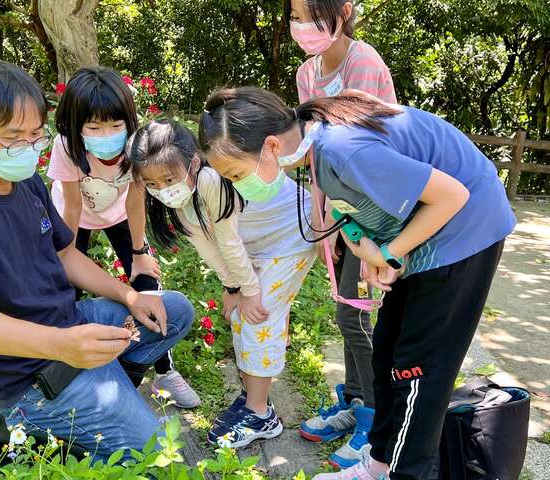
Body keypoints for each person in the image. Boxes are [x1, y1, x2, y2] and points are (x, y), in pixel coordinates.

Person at [198, 86, 515, 480]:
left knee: (419, 373)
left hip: (466, 233)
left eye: (235, 174)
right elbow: (369, 201)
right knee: (386, 354)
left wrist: (389, 254)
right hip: (430, 233)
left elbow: (453, 195)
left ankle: (406, 473)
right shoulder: (315, 143)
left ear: (271, 145)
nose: (236, 185)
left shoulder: (341, 149)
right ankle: (379, 464)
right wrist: (385, 252)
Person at [0, 60, 195, 463]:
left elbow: (64, 253)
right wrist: (61, 345)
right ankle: (27, 424)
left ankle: (104, 391)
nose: (28, 149)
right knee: (161, 461)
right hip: (30, 375)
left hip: (71, 325)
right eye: (13, 138)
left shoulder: (24, 180)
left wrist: (129, 296)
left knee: (174, 312)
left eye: (34, 137)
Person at [128, 119, 316, 448]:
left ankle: (260, 414)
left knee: (259, 316)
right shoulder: (182, 200)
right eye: (152, 184)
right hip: (255, 245)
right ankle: (254, 398)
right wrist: (233, 289)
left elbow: (228, 243)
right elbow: (209, 247)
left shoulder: (211, 179)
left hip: (291, 238)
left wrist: (250, 292)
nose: (162, 189)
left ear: (194, 161)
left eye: (169, 179)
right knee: (245, 315)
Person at [286, 0, 398, 468]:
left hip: (370, 209)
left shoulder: (365, 63)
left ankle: (376, 418)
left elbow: (371, 146)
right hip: (333, 207)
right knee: (344, 312)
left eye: (311, 13)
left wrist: (358, 227)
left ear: (343, 10)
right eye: (294, 15)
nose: (302, 25)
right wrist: (321, 218)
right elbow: (313, 151)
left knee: (355, 316)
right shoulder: (306, 74)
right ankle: (355, 401)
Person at [48, 66, 199, 408]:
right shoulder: (67, 146)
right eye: (94, 127)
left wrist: (140, 249)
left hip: (118, 214)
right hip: (76, 218)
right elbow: (72, 206)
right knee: (65, 287)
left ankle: (165, 369)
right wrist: (67, 256)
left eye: (116, 125)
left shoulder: (136, 144)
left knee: (147, 282)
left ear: (128, 121)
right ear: (76, 125)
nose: (107, 134)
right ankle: (65, 369)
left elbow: (135, 197)